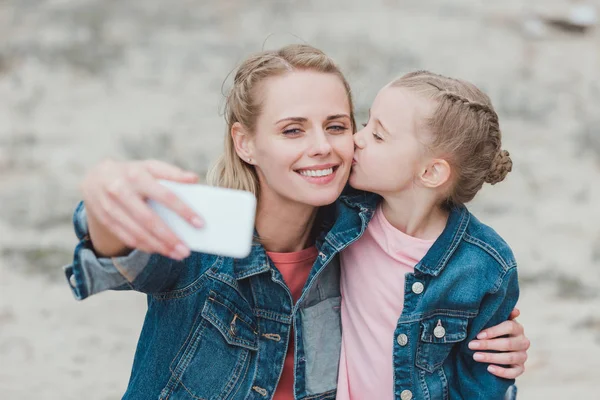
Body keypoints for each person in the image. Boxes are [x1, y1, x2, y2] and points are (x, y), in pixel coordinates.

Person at [64, 45, 529, 399]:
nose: (323, 147)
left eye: (337, 125)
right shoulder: (208, 230)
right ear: (245, 143)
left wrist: (495, 343)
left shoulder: (358, 229)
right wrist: (104, 192)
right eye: (292, 130)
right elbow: (114, 250)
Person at [337, 70, 524, 399]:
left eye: (378, 135)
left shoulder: (484, 266)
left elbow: (485, 376)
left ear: (431, 171)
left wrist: (508, 354)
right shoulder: (344, 214)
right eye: (366, 123)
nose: (357, 138)